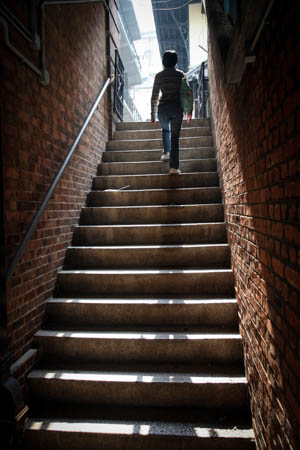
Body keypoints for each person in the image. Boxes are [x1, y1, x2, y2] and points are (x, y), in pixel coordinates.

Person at [151, 50, 192, 175]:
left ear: (163, 62)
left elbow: (155, 96)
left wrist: (152, 115)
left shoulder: (159, 76)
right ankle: (174, 168)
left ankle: (166, 152)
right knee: (175, 138)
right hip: (176, 108)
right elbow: (187, 94)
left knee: (165, 130)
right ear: (175, 62)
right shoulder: (181, 75)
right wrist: (189, 110)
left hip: (163, 109)